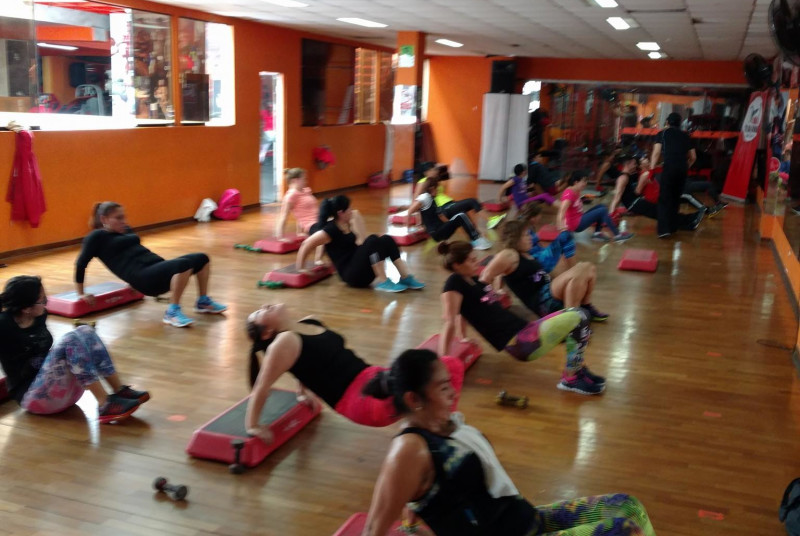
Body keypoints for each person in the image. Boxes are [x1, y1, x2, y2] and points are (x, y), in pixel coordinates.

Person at [360, 349, 656, 536]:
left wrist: (411, 526)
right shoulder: (409, 450)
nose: (453, 393)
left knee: (628, 507)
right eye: (443, 387)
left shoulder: (442, 427)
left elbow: (427, 495)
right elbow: (375, 527)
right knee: (626, 531)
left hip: (527, 521)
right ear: (414, 399)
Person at [244, 304, 464, 441]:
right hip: (359, 401)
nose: (264, 305)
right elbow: (262, 387)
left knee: (450, 365)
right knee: (419, 385)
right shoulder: (282, 343)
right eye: (259, 313)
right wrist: (253, 425)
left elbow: (304, 363)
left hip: (374, 375)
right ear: (267, 333)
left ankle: (440, 420)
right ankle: (436, 428)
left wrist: (303, 392)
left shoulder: (308, 322)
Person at [438, 241, 604, 395]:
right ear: (457, 265)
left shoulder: (474, 280)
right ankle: (571, 377)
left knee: (578, 315)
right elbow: (449, 320)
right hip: (519, 342)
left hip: (525, 330)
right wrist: (442, 363)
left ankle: (575, 370)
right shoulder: (454, 282)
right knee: (579, 315)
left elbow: (462, 312)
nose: (476, 261)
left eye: (475, 257)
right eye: (471, 260)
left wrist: (463, 337)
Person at [0, 276, 149, 423]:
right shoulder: (4, 325)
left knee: (85, 330)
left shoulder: (39, 315)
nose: (46, 303)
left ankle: (120, 390)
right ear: (26, 308)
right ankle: (104, 404)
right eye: (42, 300)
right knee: (70, 340)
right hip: (33, 398)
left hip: (59, 391)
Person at [76, 202, 227, 328]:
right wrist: (81, 293)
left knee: (202, 258)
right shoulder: (96, 237)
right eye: (119, 218)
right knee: (183, 264)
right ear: (104, 219)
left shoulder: (126, 230)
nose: (124, 221)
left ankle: (202, 302)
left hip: (156, 267)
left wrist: (130, 283)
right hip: (144, 278)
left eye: (124, 217)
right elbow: (81, 264)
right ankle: (172, 312)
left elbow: (129, 254)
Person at [481, 220, 608, 323]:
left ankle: (585, 307)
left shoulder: (522, 254)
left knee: (589, 267)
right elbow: (485, 277)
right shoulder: (508, 254)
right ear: (515, 238)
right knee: (581, 269)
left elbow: (501, 275)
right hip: (543, 301)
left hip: (549, 292)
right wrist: (492, 301)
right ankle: (571, 324)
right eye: (526, 235)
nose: (530, 238)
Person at [296, 195, 424, 293]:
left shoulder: (345, 224)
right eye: (349, 209)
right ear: (341, 213)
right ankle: (383, 281)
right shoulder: (330, 230)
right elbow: (306, 244)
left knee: (386, 239)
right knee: (372, 240)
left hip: (360, 269)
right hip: (352, 276)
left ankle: (405, 277)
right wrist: (301, 267)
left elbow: (361, 243)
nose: (351, 211)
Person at [608, 157, 704, 232]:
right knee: (662, 213)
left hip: (636, 202)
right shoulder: (623, 178)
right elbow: (617, 197)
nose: (635, 166)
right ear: (627, 164)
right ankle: (689, 220)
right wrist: (610, 216)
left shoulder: (627, 176)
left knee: (663, 213)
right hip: (635, 204)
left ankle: (688, 222)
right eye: (633, 164)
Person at [406, 176, 493, 250]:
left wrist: (452, 224)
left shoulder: (432, 199)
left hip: (440, 230)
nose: (438, 191)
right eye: (437, 188)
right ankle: (476, 241)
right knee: (461, 215)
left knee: (461, 215)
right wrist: (408, 229)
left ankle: (476, 238)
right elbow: (410, 211)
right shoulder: (425, 197)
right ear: (432, 188)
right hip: (436, 232)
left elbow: (441, 216)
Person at [650, 112, 697, 238]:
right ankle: (672, 227)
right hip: (682, 169)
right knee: (676, 198)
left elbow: (656, 153)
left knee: (665, 198)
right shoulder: (686, 136)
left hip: (669, 168)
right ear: (680, 123)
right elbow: (693, 157)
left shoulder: (662, 133)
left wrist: (652, 170)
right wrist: (685, 167)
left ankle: (663, 230)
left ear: (667, 122)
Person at [557, 172, 634, 243]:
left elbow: (573, 206)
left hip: (579, 218)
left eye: (586, 181)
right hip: (576, 225)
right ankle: (617, 235)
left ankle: (597, 233)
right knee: (602, 211)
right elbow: (561, 212)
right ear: (576, 182)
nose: (585, 184)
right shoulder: (569, 194)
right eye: (583, 181)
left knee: (602, 206)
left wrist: (582, 199)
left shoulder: (575, 190)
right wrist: (562, 229)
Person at [414, 162, 484, 224]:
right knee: (472, 202)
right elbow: (417, 199)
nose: (436, 171)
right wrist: (419, 218)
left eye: (436, 169)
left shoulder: (435, 181)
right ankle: (488, 221)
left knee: (463, 214)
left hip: (449, 203)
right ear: (426, 172)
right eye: (433, 169)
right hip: (442, 207)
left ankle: (475, 231)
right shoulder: (423, 182)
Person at [519, 202, 576, 274]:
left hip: (538, 255)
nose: (540, 218)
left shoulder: (523, 222)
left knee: (564, 238)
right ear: (533, 218)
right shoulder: (523, 230)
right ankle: (573, 271)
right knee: (566, 236)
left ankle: (571, 269)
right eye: (539, 216)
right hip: (538, 261)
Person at [275, 168, 318, 239]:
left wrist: (299, 232)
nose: (306, 181)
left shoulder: (305, 191)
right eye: (304, 179)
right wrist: (280, 237)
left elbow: (302, 211)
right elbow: (283, 216)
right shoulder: (291, 196)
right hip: (311, 225)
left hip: (319, 221)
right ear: (294, 181)